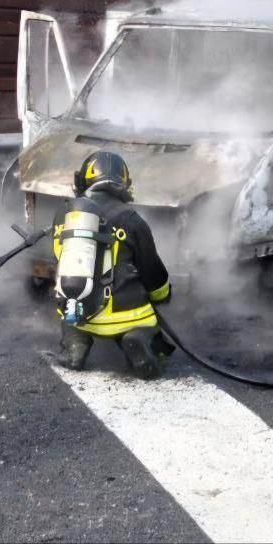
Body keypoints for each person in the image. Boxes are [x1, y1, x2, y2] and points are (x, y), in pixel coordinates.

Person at [53, 150, 174, 379]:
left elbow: (60, 260)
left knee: (70, 303)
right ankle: (138, 340)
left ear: (82, 180)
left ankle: (75, 343)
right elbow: (152, 271)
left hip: (77, 311)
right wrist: (163, 295)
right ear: (125, 183)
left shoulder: (64, 215)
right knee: (145, 318)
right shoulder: (131, 219)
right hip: (124, 314)